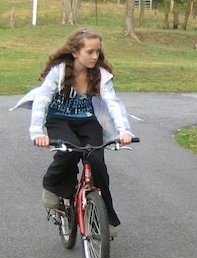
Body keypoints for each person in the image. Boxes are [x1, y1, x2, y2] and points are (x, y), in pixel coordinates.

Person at [30, 28, 134, 236]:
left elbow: (113, 103)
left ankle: (104, 219)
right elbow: (42, 100)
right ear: (75, 52)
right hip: (59, 119)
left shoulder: (100, 75)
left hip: (87, 121)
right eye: (90, 51)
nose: (95, 56)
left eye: (97, 51)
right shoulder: (59, 71)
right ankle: (52, 185)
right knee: (70, 151)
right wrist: (36, 132)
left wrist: (124, 131)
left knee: (97, 163)